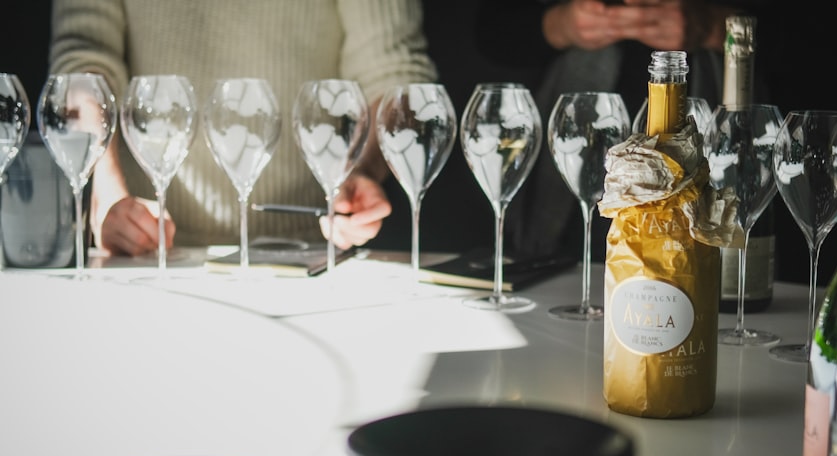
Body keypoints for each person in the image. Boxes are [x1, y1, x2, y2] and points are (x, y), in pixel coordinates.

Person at [47, 0, 438, 256]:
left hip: (307, 252)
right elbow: (82, 63)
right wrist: (107, 188)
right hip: (147, 251)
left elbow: (394, 73)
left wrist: (363, 170)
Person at [473, 0, 740, 260]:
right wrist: (561, 24)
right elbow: (491, 29)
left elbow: (779, 32)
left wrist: (711, 25)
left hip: (703, 134)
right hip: (580, 143)